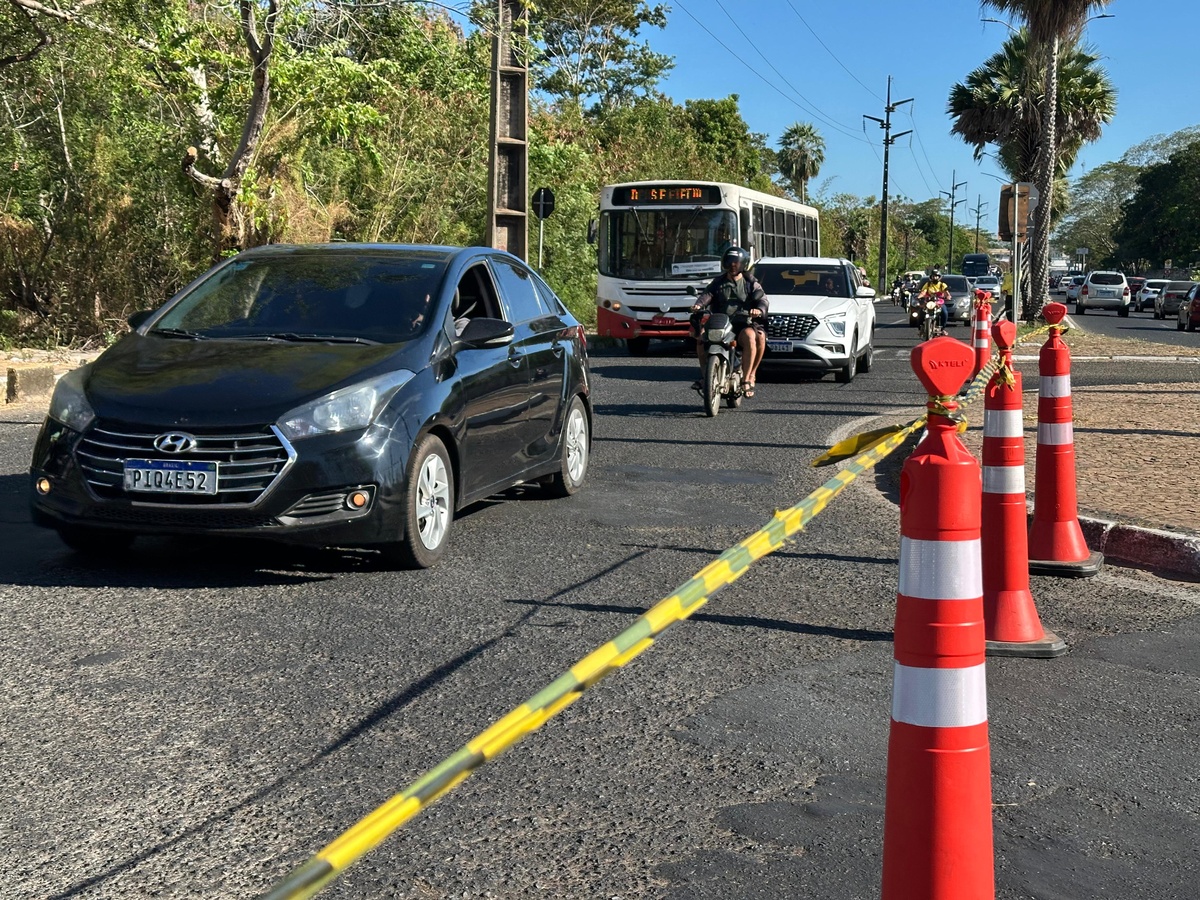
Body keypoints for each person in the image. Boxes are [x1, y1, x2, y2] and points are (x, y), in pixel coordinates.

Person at [690, 246, 768, 397]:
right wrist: (699, 305)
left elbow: (763, 300)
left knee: (751, 337)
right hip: (720, 323)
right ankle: (706, 376)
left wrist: (759, 310)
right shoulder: (718, 282)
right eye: (730, 262)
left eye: (736, 263)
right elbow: (707, 294)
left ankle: (747, 379)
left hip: (743, 323)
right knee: (700, 338)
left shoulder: (751, 283)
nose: (733, 266)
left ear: (743, 264)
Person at [918, 268, 950, 332]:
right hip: (929, 302)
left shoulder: (942, 285)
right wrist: (919, 297)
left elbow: (946, 293)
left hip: (939, 302)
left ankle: (942, 328)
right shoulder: (928, 284)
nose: (935, 278)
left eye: (936, 276)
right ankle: (920, 327)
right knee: (921, 311)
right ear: (931, 277)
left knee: (944, 312)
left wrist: (948, 297)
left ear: (939, 277)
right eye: (933, 276)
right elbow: (923, 292)